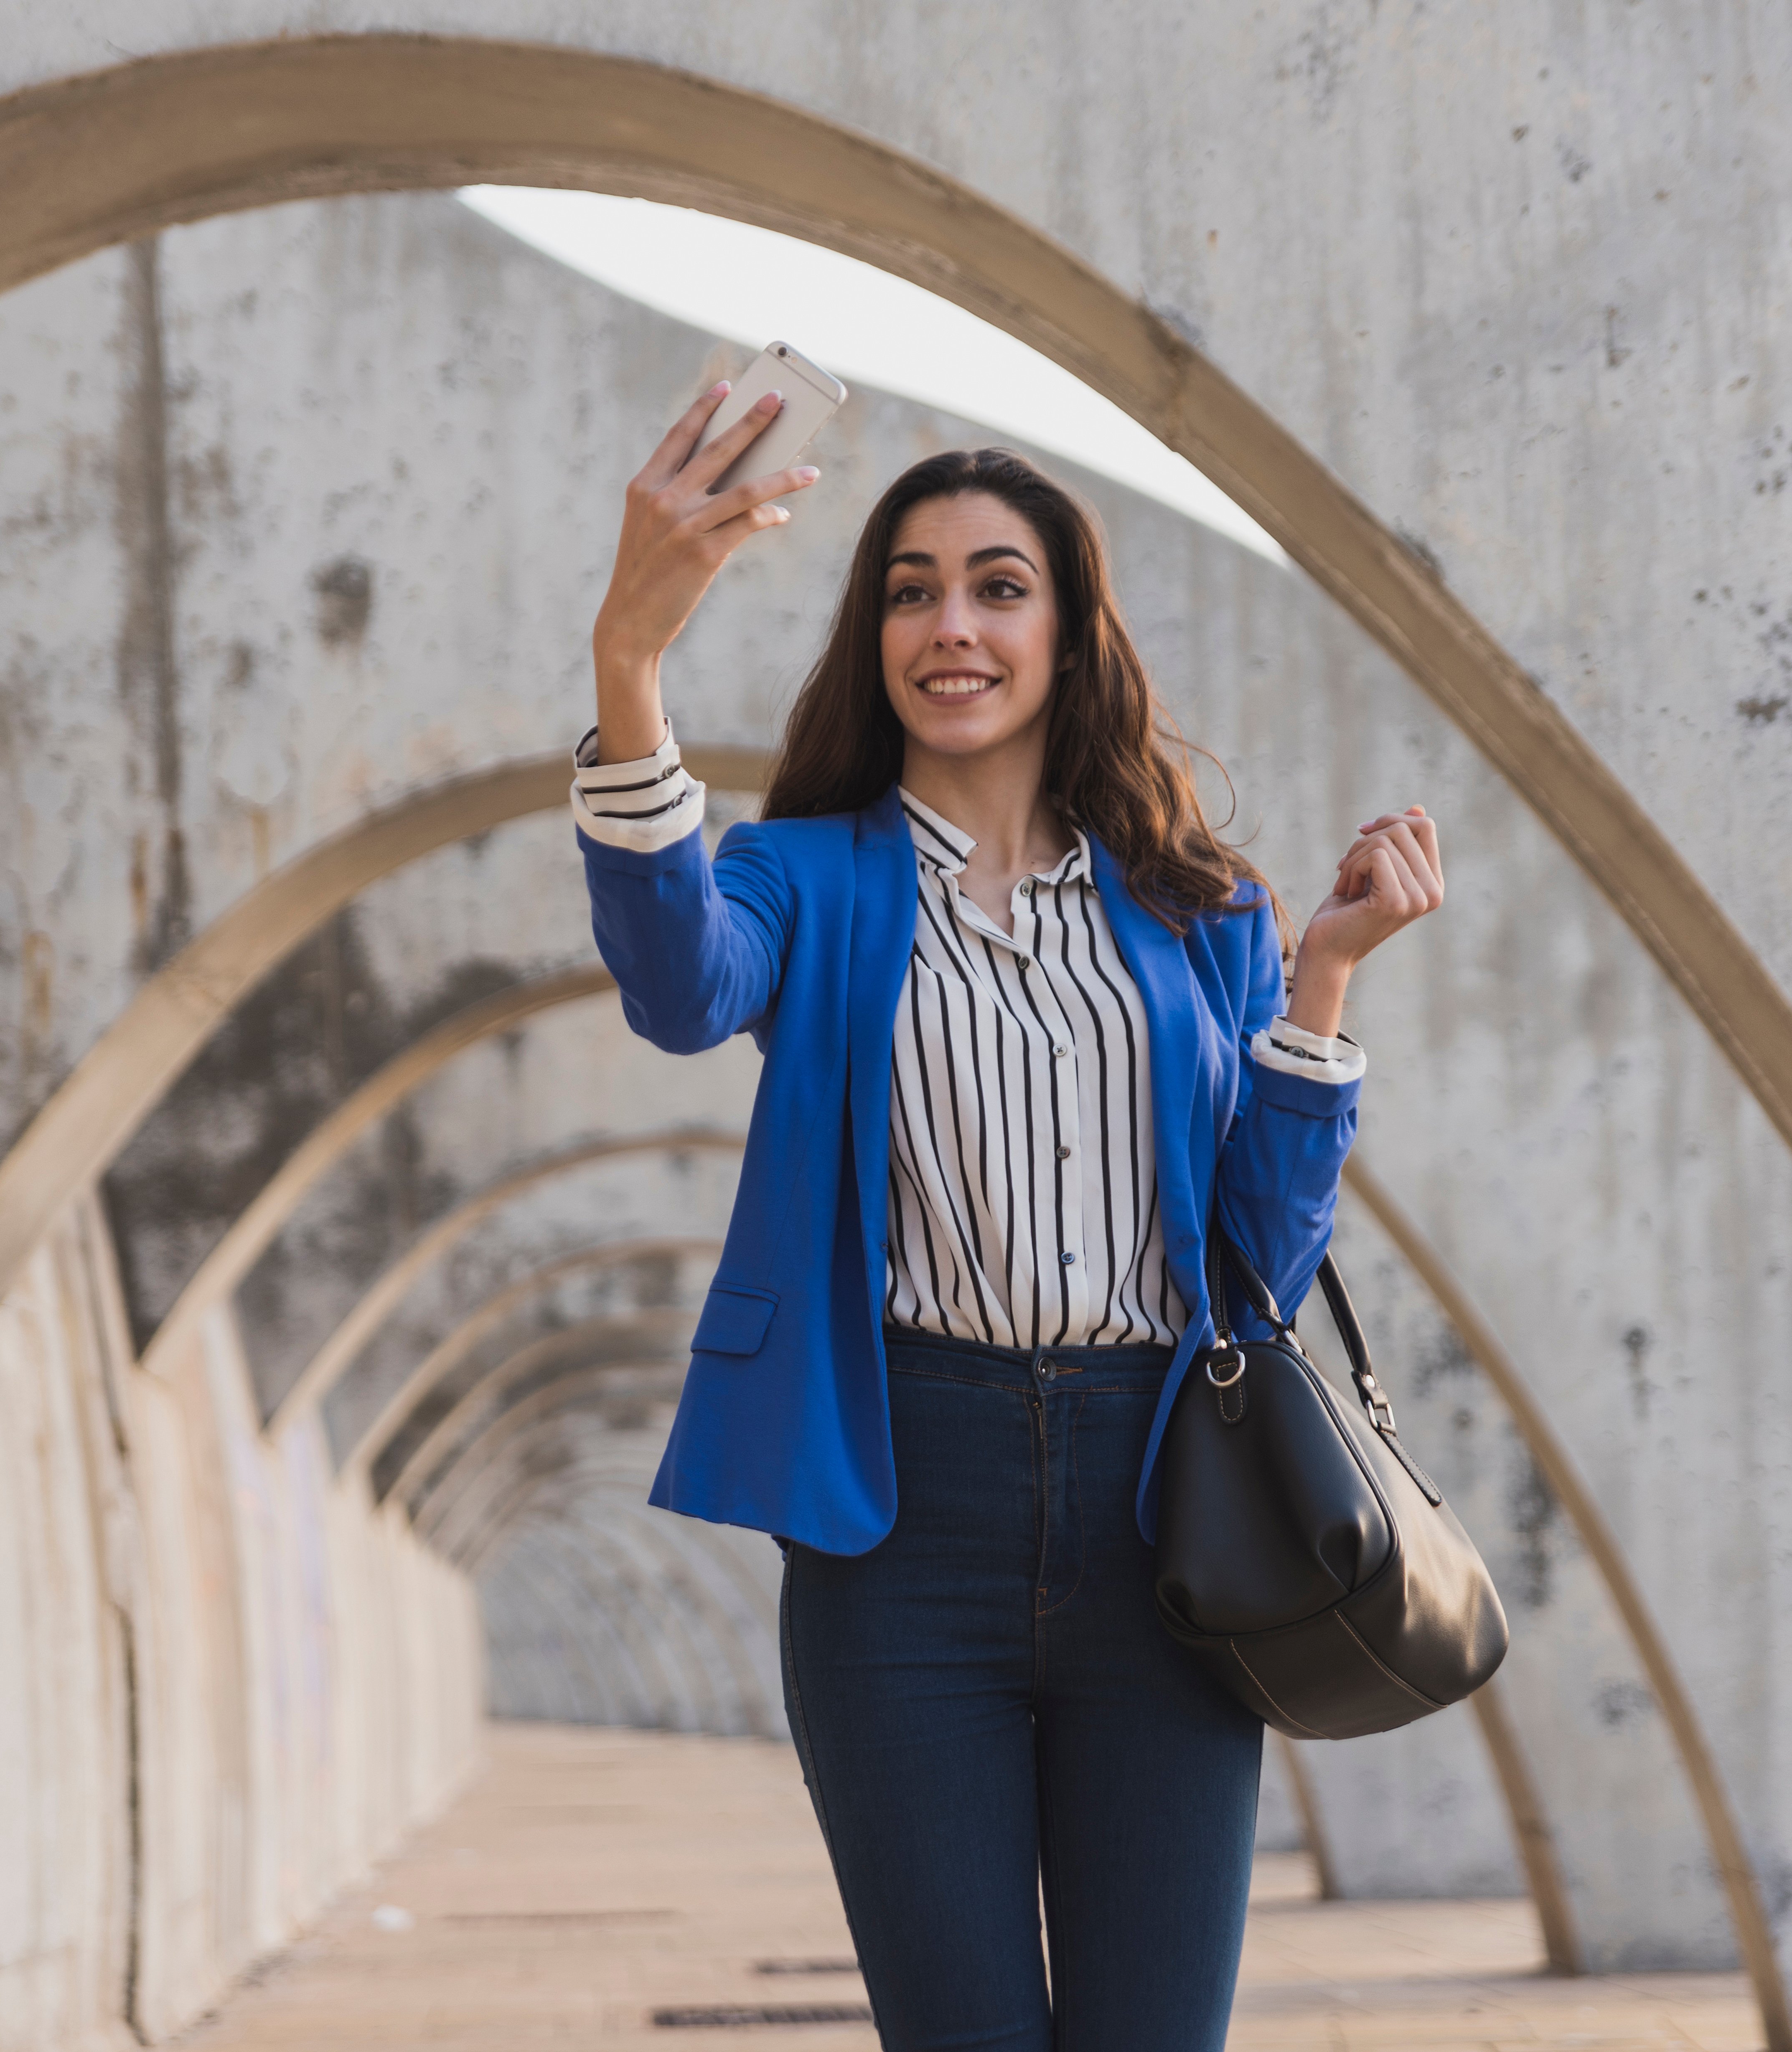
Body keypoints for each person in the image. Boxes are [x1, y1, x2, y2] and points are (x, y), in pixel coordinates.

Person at [574, 381, 1442, 2052]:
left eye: (995, 584)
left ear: (1066, 631)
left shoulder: (1205, 909)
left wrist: (1319, 985)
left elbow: (1262, 1255)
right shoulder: (804, 874)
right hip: (902, 1521)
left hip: (1161, 1520)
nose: (949, 623)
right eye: (910, 587)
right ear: (871, 630)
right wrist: (633, 659)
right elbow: (680, 989)